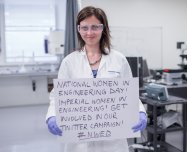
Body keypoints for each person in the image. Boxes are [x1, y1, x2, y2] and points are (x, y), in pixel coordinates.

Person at [46, 6, 147, 152]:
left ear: (103, 28)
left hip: (113, 141)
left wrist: (140, 112)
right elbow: (58, 96)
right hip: (79, 142)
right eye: (84, 27)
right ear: (78, 29)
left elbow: (129, 95)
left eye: (95, 27)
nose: (89, 32)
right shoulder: (69, 62)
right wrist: (52, 116)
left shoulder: (119, 59)